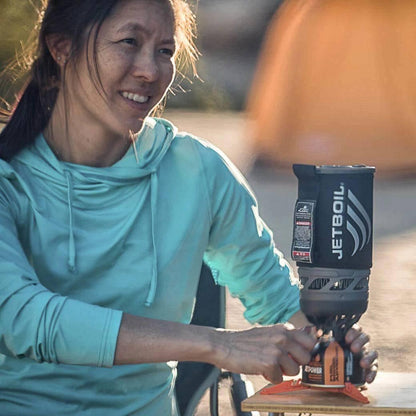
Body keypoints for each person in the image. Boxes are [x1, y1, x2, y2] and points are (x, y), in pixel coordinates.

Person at [0, 0, 378, 414]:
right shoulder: (9, 178)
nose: (150, 71)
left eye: (165, 51)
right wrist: (218, 344)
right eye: (129, 42)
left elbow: (276, 297)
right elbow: (20, 318)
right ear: (62, 48)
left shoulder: (197, 171)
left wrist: (331, 345)